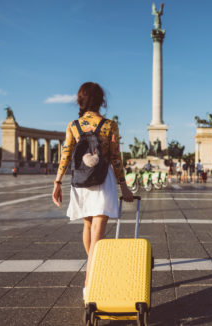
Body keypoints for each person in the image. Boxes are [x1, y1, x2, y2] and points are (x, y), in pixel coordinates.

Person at [52, 82, 133, 300]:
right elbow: (116, 158)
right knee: (98, 229)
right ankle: (91, 282)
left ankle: (93, 271)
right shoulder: (109, 125)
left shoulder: (73, 125)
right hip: (102, 179)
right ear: (102, 101)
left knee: (88, 225)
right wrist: (123, 185)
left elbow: (66, 154)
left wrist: (57, 181)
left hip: (80, 180)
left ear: (80, 100)